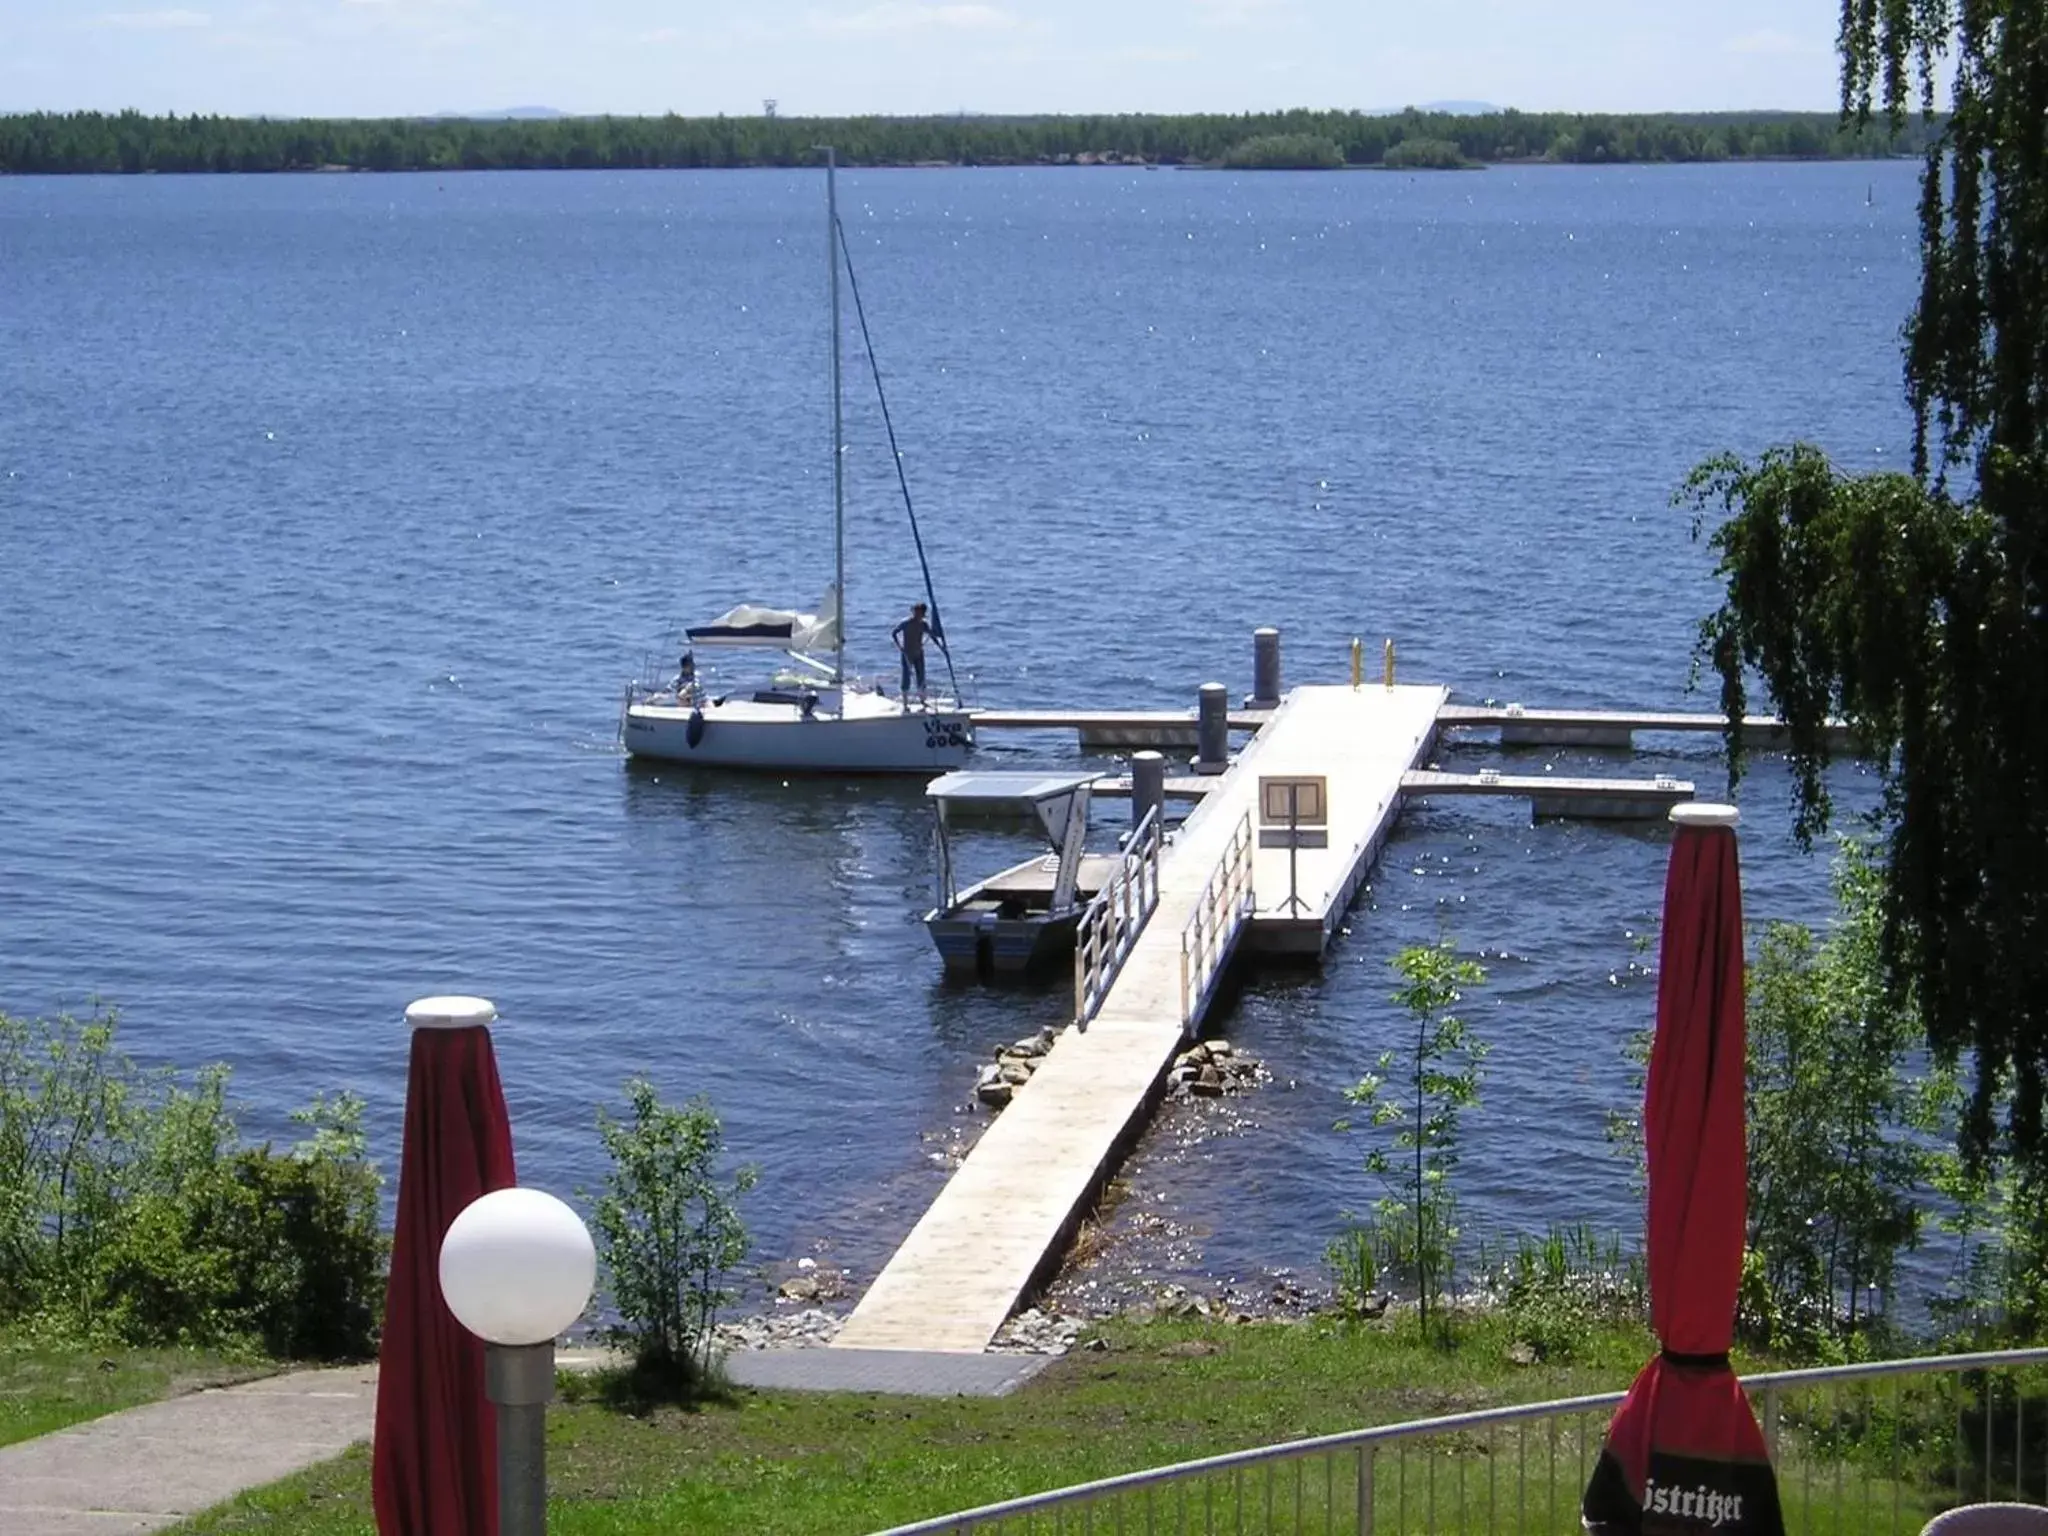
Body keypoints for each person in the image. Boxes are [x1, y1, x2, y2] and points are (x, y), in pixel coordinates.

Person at [891, 601, 939, 704]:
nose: (919, 615)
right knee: (906, 677)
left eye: (921, 613)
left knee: (921, 676)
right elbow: (894, 633)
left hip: (919, 653)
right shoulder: (906, 623)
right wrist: (899, 646)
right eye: (917, 612)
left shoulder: (923, 624)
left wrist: (938, 635)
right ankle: (905, 702)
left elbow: (931, 634)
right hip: (907, 653)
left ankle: (922, 700)